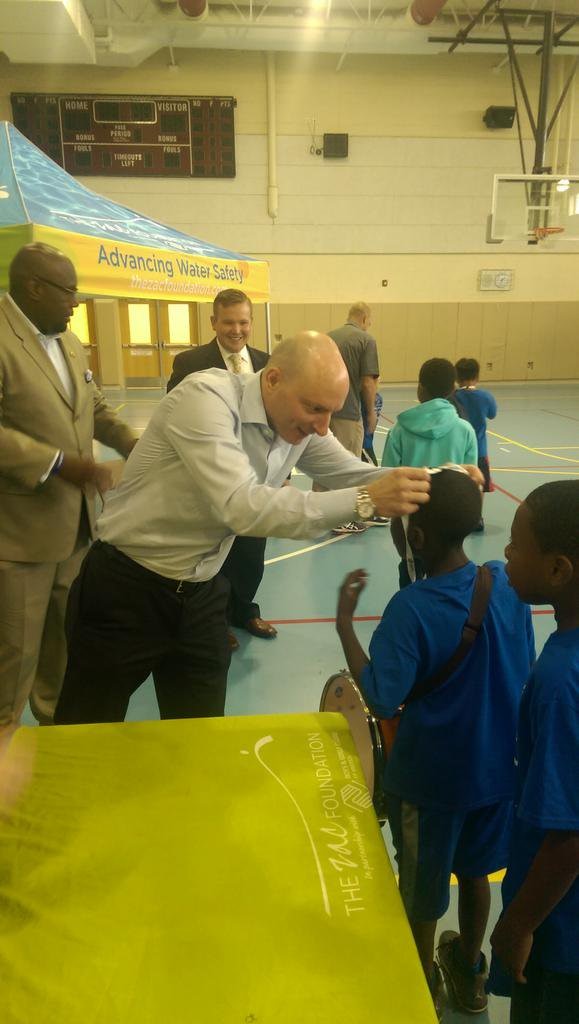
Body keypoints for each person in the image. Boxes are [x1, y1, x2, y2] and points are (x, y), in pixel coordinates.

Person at [55, 332, 434, 726]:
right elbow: (241, 506)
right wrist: (365, 500)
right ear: (272, 380)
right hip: (127, 587)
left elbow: (353, 472)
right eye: (315, 409)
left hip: (201, 594)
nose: (323, 428)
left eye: (330, 412)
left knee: (200, 731)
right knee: (85, 727)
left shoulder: (298, 425)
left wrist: (441, 477)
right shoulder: (205, 399)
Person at [335, 469, 535, 1018]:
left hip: (429, 783)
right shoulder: (507, 589)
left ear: (414, 539)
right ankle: (470, 970)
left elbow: (380, 698)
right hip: (496, 776)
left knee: (422, 886)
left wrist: (345, 625)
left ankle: (421, 975)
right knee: (476, 875)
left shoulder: (411, 610)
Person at [0, 243, 137, 728]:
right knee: (14, 657)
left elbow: (93, 405)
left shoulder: (67, 340)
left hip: (75, 527)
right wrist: (60, 464)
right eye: (69, 291)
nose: (76, 302)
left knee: (65, 644)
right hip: (18, 538)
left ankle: (55, 735)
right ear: (34, 287)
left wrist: (133, 442)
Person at [488, 480, 579, 1024]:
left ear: (558, 570)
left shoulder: (561, 680)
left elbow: (568, 838)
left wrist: (518, 924)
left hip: (561, 930)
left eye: (516, 548)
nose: (506, 557)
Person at [167, 288, 276, 650]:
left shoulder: (268, 363)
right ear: (213, 322)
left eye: (243, 321)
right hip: (209, 480)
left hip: (257, 478)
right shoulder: (189, 364)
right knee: (215, 556)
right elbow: (173, 418)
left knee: (251, 556)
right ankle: (215, 621)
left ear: (251, 322)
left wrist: (281, 470)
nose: (236, 329)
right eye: (228, 322)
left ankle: (244, 610)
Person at [382, 358, 478, 586]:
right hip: (450, 517)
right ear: (452, 389)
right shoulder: (465, 430)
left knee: (411, 569)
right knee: (447, 570)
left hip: (409, 519)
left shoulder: (399, 431)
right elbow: (469, 481)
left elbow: (387, 476)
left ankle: (411, 612)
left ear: (420, 388)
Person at [321, 302, 380, 535]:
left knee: (325, 463)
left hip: (324, 413)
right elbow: (368, 382)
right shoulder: (366, 340)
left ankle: (324, 514)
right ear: (364, 318)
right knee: (348, 468)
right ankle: (343, 519)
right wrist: (371, 412)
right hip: (349, 412)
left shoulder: (327, 338)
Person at [454, 357, 498, 532]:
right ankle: (476, 517)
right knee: (479, 484)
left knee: (457, 482)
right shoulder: (485, 397)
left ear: (457, 377)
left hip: (458, 449)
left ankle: (457, 515)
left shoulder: (453, 397)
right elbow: (492, 414)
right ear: (477, 376)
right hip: (479, 449)